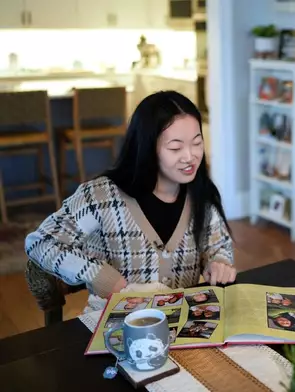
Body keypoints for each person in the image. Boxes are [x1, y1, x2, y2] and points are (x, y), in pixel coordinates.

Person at [25, 90, 236, 312]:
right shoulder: (101, 197)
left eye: (197, 143)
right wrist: (96, 274)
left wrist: (218, 262)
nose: (190, 156)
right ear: (146, 147)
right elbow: (40, 242)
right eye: (175, 147)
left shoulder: (201, 193)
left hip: (184, 327)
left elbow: (218, 246)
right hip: (113, 329)